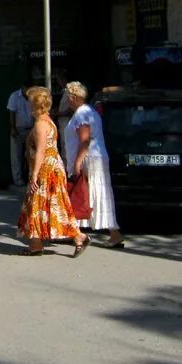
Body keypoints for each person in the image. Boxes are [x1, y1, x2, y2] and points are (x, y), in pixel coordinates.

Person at [16, 86, 90, 257]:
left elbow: (41, 150)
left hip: (45, 170)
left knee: (39, 203)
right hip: (52, 168)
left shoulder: (41, 124)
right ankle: (37, 243)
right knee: (50, 205)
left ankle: (77, 236)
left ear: (35, 104)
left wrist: (34, 174)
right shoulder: (48, 120)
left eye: (29, 102)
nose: (28, 105)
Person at [63, 81, 124, 248]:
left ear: (74, 97)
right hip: (95, 157)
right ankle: (76, 232)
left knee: (87, 193)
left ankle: (109, 234)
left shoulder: (82, 114)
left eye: (68, 96)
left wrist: (77, 162)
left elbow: (84, 140)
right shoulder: (89, 111)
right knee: (92, 194)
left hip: (89, 158)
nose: (67, 100)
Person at [6, 82, 34, 188]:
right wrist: (13, 127)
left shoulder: (32, 96)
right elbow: (12, 113)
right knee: (16, 156)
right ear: (22, 88)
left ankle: (31, 178)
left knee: (31, 155)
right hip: (18, 130)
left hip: (31, 129)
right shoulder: (14, 97)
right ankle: (18, 179)